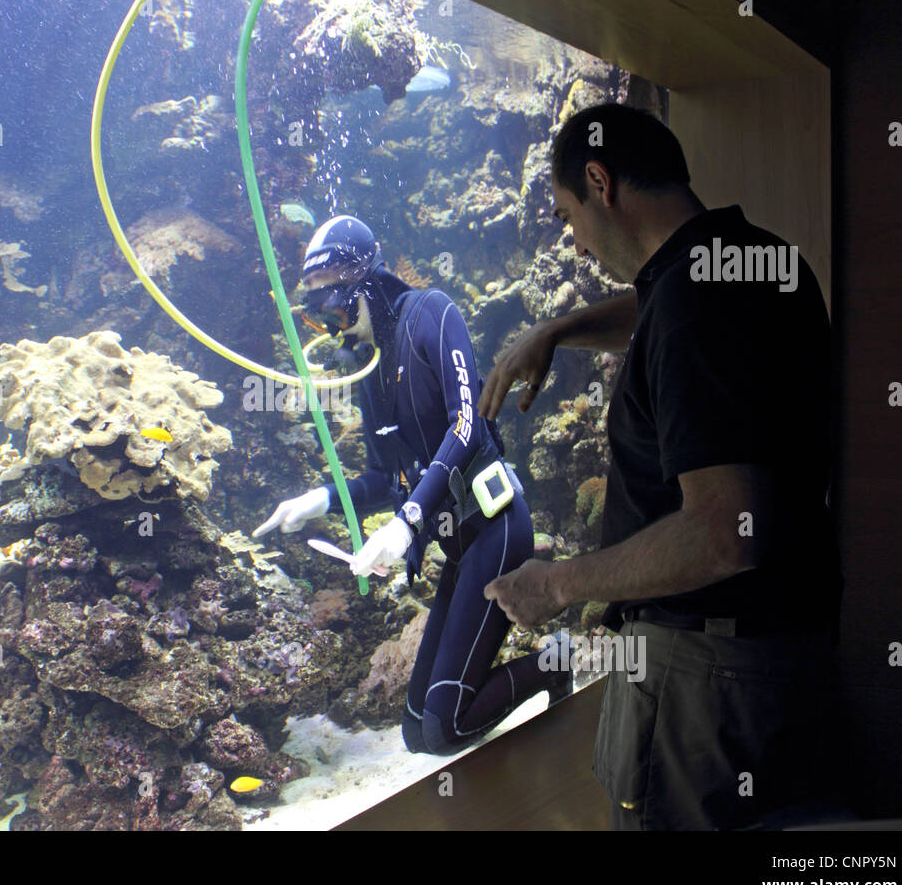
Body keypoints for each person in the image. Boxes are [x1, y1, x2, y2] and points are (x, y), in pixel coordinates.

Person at [478, 104, 842, 829]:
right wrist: (559, 329)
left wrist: (557, 586)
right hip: (787, 654)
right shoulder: (762, 262)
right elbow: (662, 306)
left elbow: (723, 535)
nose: (575, 243)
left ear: (599, 180)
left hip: (703, 677)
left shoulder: (691, 303)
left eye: (566, 214)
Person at [254, 215, 572, 756]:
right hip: (459, 549)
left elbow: (467, 425)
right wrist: (323, 499)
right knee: (415, 730)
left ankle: (554, 665)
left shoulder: (432, 313)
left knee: (446, 728)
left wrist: (407, 524)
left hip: (496, 530)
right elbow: (385, 478)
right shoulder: (369, 371)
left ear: (363, 283)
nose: (329, 326)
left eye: (330, 305)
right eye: (313, 314)